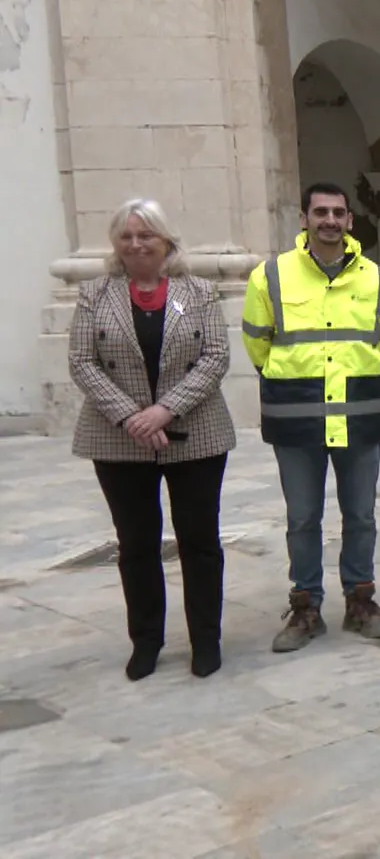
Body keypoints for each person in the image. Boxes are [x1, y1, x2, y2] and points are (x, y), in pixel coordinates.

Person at [68, 200, 236, 680]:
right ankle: (146, 641)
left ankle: (206, 639)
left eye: (146, 235)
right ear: (115, 245)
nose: (136, 244)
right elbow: (82, 362)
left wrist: (165, 409)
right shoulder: (94, 294)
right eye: (126, 236)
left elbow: (215, 357)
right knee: (136, 544)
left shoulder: (199, 291)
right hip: (119, 440)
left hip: (196, 433)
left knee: (199, 541)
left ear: (166, 241)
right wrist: (132, 417)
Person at [243, 182, 380, 652]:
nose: (329, 220)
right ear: (304, 218)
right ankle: (305, 605)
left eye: (338, 213)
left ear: (351, 220)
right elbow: (258, 344)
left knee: (362, 514)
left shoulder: (377, 278)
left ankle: (360, 600)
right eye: (320, 212)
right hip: (296, 418)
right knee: (303, 517)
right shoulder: (268, 277)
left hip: (358, 414)